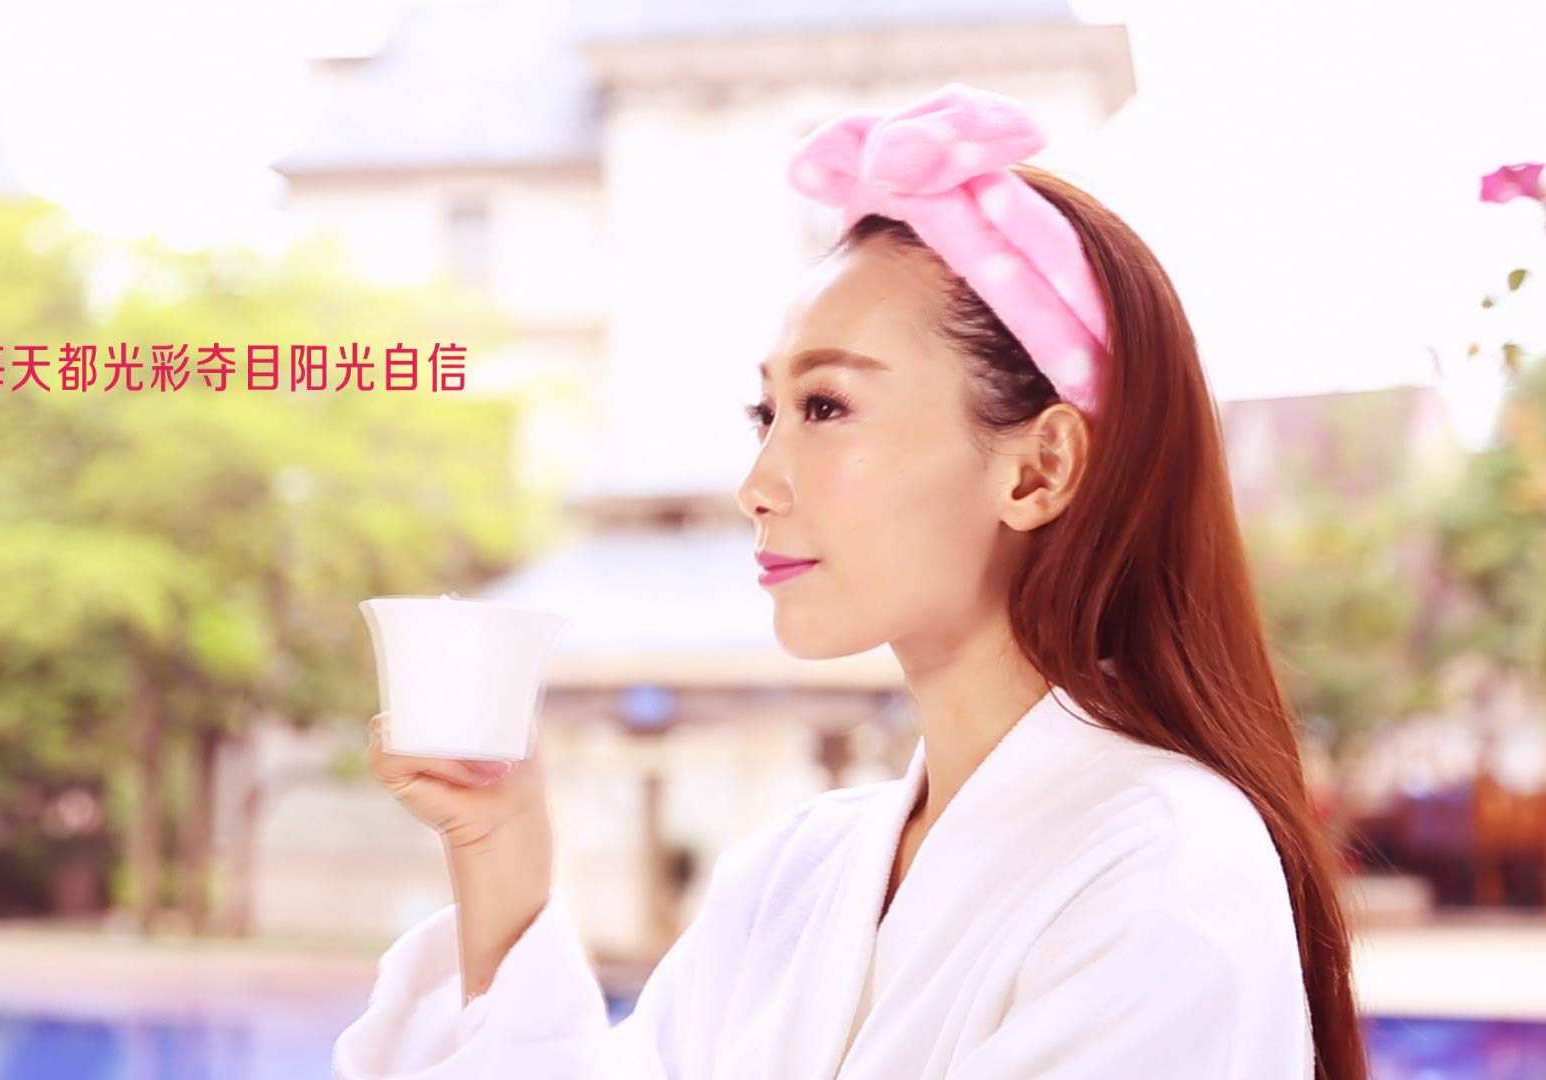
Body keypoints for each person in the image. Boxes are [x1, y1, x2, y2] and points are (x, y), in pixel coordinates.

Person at [332, 81, 1366, 1079]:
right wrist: (500, 850)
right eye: (766, 415)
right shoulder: (793, 874)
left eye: (825, 408)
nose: (757, 484)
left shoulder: (1166, 872)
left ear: (1039, 468)